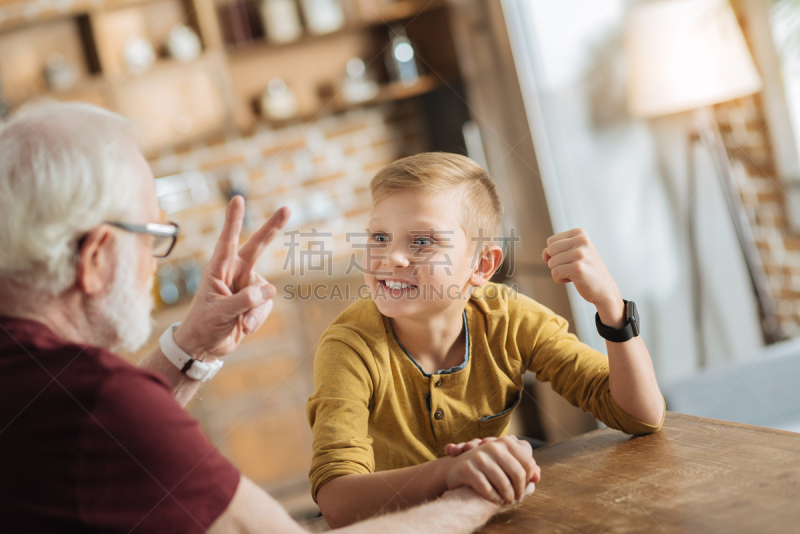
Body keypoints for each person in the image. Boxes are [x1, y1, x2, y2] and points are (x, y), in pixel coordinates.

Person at [0, 103, 535, 533]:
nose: (151, 264)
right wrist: (469, 496)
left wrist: (194, 346)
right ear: (94, 259)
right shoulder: (104, 404)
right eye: (154, 238)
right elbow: (107, 423)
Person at [307, 152, 666, 527]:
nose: (391, 256)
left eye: (422, 242)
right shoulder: (349, 347)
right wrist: (450, 472)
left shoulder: (509, 318)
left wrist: (610, 304)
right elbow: (337, 500)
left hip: (489, 513)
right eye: (379, 236)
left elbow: (640, 415)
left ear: (481, 266)